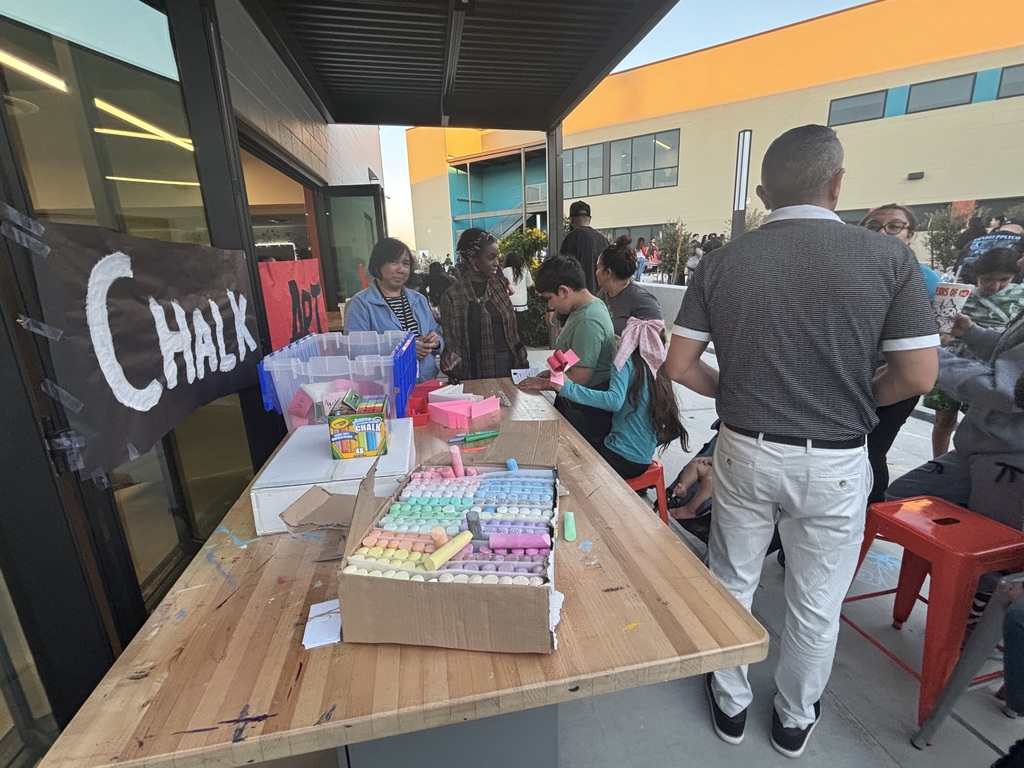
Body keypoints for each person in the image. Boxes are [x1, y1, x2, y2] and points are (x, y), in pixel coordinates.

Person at [665, 124, 938, 759]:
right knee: (814, 599)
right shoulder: (888, 259)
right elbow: (919, 374)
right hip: (837, 456)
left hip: (745, 447)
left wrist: (734, 397)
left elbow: (678, 367)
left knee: (732, 578)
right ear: (838, 183)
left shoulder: (723, 261)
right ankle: (792, 718)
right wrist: (845, 401)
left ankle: (730, 702)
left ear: (763, 193)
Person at [518, 318, 687, 480]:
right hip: (641, 458)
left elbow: (613, 400)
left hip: (620, 456)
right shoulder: (656, 367)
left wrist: (566, 386)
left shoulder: (624, 361)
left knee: (568, 431)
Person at [858, 203, 941, 504]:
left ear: (910, 234)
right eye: (873, 226)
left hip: (897, 376)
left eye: (894, 226)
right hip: (850, 373)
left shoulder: (926, 279)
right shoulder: (850, 271)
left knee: (872, 449)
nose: (883, 232)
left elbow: (937, 333)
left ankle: (870, 515)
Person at [925, 248, 1024, 456]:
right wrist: (970, 332)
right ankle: (941, 460)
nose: (995, 285)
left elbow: (1004, 392)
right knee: (944, 421)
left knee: (981, 421)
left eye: (1004, 279)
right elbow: (1007, 343)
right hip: (954, 362)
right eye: (988, 279)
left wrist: (928, 355)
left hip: (984, 373)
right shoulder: (962, 295)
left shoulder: (1019, 297)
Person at [534, 254, 617, 442]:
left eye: (549, 298)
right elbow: (573, 354)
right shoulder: (583, 309)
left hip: (586, 410)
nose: (550, 305)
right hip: (574, 400)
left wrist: (546, 384)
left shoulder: (588, 319)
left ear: (564, 291)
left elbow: (580, 377)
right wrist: (552, 372)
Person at [344, 238, 443, 384]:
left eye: (406, 263)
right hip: (385, 386)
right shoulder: (361, 304)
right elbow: (355, 350)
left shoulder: (419, 300)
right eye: (394, 262)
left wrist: (436, 342)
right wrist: (404, 350)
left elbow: (438, 333)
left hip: (425, 382)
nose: (401, 269)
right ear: (378, 265)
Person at [438, 228, 527, 381]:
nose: (496, 263)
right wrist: (450, 358)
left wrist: (523, 365)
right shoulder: (452, 296)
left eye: (497, 257)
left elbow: (512, 332)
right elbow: (452, 342)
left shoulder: (498, 285)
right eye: (491, 257)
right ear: (473, 260)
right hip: (473, 374)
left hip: (509, 368)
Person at [595, 235, 662, 336]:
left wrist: (624, 344)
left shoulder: (643, 301)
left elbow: (658, 340)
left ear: (608, 273)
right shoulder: (603, 294)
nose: (596, 272)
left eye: (598, 268)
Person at [558, 200, 609, 296]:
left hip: (579, 298)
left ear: (571, 220)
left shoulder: (571, 238)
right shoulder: (603, 240)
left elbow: (563, 270)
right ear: (589, 219)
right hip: (601, 298)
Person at [955, 220, 1024, 284]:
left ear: (999, 228)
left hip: (967, 287)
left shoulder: (974, 241)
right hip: (1006, 291)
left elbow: (957, 266)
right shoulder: (1021, 240)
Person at [501, 249, 534, 340]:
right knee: (521, 328)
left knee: (510, 328)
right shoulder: (525, 270)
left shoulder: (505, 271)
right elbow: (530, 283)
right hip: (522, 303)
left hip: (509, 302)